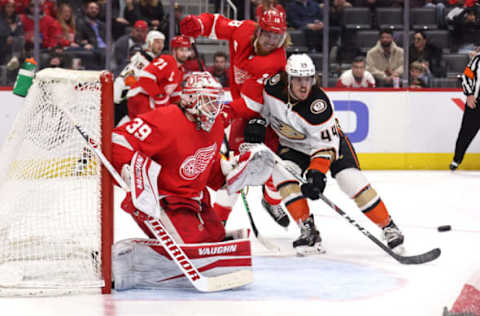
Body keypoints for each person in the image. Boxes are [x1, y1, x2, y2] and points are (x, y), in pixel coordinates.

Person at [110, 72, 273, 290]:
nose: (214, 108)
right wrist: (130, 171)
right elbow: (117, 139)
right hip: (161, 202)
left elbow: (208, 171)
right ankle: (130, 262)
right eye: (208, 101)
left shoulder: (214, 126)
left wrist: (229, 173)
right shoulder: (165, 119)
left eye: (216, 101)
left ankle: (163, 257)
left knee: (214, 239)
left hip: (195, 201)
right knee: (195, 247)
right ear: (189, 100)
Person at [241, 54, 405, 255]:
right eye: (299, 80)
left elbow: (325, 147)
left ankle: (389, 226)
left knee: (350, 180)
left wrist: (317, 174)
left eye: (308, 79)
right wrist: (257, 122)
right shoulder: (272, 89)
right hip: (292, 146)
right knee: (283, 174)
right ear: (288, 79)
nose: (304, 86)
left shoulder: (319, 105)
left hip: (328, 146)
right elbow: (262, 109)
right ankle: (307, 229)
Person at [180, 9, 290, 228]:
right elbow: (216, 23)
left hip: (270, 113)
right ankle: (218, 222)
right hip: (244, 107)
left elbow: (252, 104)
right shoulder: (243, 30)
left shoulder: (274, 60)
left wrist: (226, 112)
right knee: (238, 168)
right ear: (259, 29)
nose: (272, 40)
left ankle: (271, 201)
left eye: (277, 36)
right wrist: (198, 25)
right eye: (268, 34)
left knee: (278, 166)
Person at [126, 34, 190, 118]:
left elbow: (175, 95)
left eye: (187, 50)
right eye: (181, 50)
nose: (185, 54)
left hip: (149, 101)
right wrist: (159, 96)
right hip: (140, 96)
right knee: (152, 127)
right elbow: (145, 77)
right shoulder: (167, 60)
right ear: (174, 51)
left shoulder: (181, 71)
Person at [114, 30, 165, 125]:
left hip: (129, 95)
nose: (160, 45)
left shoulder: (149, 58)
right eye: (157, 42)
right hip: (123, 95)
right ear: (150, 42)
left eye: (162, 42)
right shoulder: (144, 58)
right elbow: (129, 78)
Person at [450, 52, 480, 170]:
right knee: (466, 133)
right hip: (475, 103)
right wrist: (469, 94)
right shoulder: (477, 59)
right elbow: (467, 76)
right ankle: (456, 159)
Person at [74, 1, 106, 70]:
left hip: (105, 48)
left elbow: (109, 39)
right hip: (94, 48)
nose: (94, 10)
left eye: (96, 8)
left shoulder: (102, 25)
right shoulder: (81, 23)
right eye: (91, 8)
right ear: (86, 10)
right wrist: (84, 44)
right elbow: (78, 38)